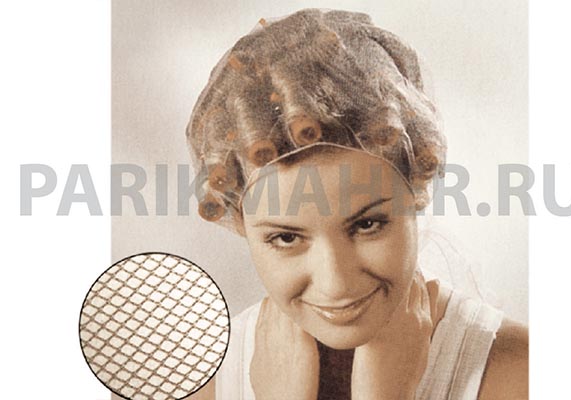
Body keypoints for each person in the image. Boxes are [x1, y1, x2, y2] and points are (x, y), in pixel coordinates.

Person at [184, 8, 528, 400]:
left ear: (416, 188)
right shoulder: (203, 381)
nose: (336, 284)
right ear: (240, 222)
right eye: (286, 238)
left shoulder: (524, 374)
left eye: (367, 225)